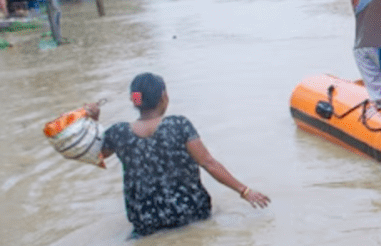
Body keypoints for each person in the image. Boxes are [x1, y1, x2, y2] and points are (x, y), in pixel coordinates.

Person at [84, 73, 270, 237]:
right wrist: (244, 191)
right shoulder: (178, 125)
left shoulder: (119, 132)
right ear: (164, 97)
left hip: (146, 223)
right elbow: (208, 163)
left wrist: (92, 121)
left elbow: (93, 154)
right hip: (191, 214)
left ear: (135, 100)